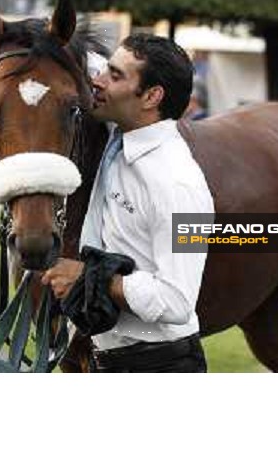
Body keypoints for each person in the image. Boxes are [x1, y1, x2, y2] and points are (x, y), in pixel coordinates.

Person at [42, 33, 215, 373]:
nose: (98, 80)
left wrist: (88, 279)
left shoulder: (180, 184)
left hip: (159, 366)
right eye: (105, 69)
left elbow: (177, 301)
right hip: (108, 358)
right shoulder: (120, 140)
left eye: (115, 75)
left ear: (151, 96)